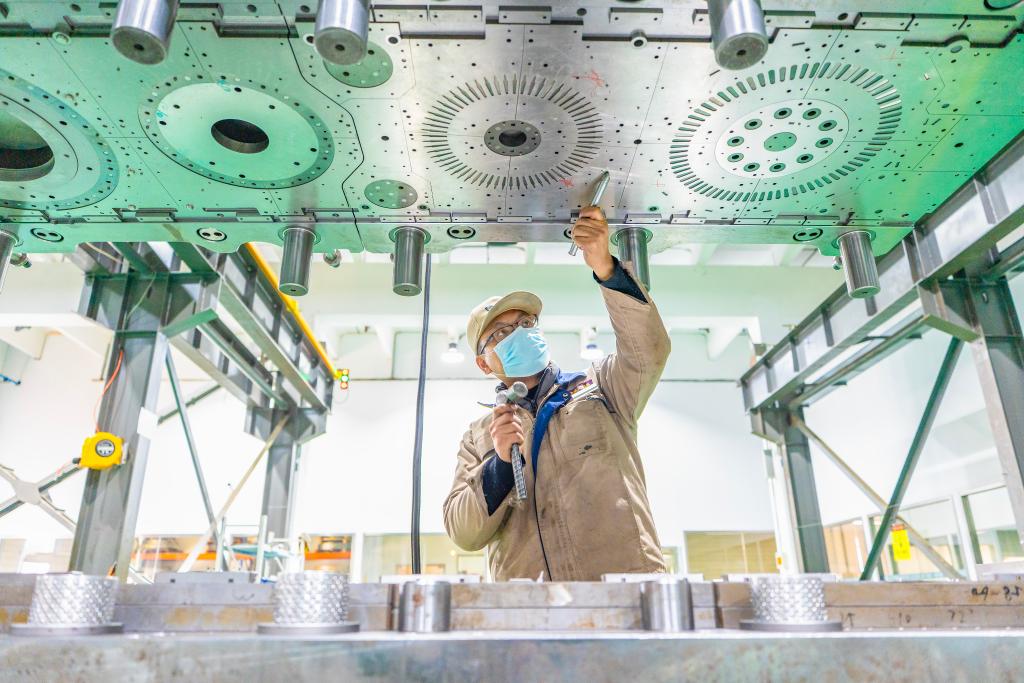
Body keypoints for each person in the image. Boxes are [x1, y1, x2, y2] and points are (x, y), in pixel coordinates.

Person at [442, 206, 671, 581]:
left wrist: (606, 269)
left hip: (625, 594)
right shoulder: (479, 436)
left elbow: (649, 351)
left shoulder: (602, 390)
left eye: (525, 323)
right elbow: (463, 533)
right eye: (501, 334)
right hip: (532, 605)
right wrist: (501, 463)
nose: (519, 333)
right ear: (483, 364)